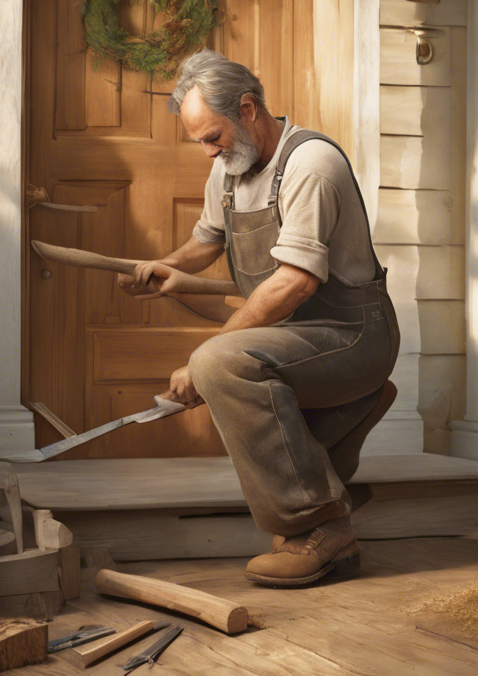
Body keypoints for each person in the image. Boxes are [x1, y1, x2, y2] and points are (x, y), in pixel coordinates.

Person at [115, 50, 399, 587]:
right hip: (294, 335)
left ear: (248, 109)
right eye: (200, 139)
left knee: (221, 363)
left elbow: (296, 283)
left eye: (212, 136)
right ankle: (337, 442)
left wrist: (204, 363)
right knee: (223, 355)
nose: (207, 151)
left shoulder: (310, 164)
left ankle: (319, 524)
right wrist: (164, 268)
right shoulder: (230, 168)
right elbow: (206, 242)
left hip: (354, 337)